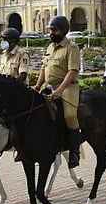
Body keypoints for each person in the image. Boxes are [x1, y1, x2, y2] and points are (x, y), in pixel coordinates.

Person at [33, 16, 81, 168]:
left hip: (67, 87)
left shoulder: (71, 47)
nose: (51, 33)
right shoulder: (50, 47)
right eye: (50, 30)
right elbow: (43, 69)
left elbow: (72, 71)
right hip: (49, 86)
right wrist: (37, 86)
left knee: (70, 115)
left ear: (63, 31)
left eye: (54, 30)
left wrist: (60, 90)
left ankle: (74, 151)